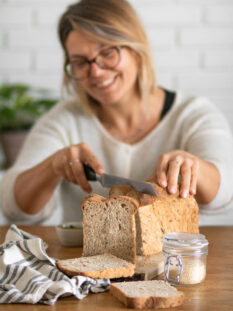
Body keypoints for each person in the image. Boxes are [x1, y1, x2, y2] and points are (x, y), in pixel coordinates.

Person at [1, 0, 233, 225]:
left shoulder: (192, 114)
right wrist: (51, 167)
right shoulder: (63, 121)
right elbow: (13, 208)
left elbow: (226, 192)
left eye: (108, 52)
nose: (97, 71)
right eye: (80, 62)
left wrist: (194, 167)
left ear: (136, 49)